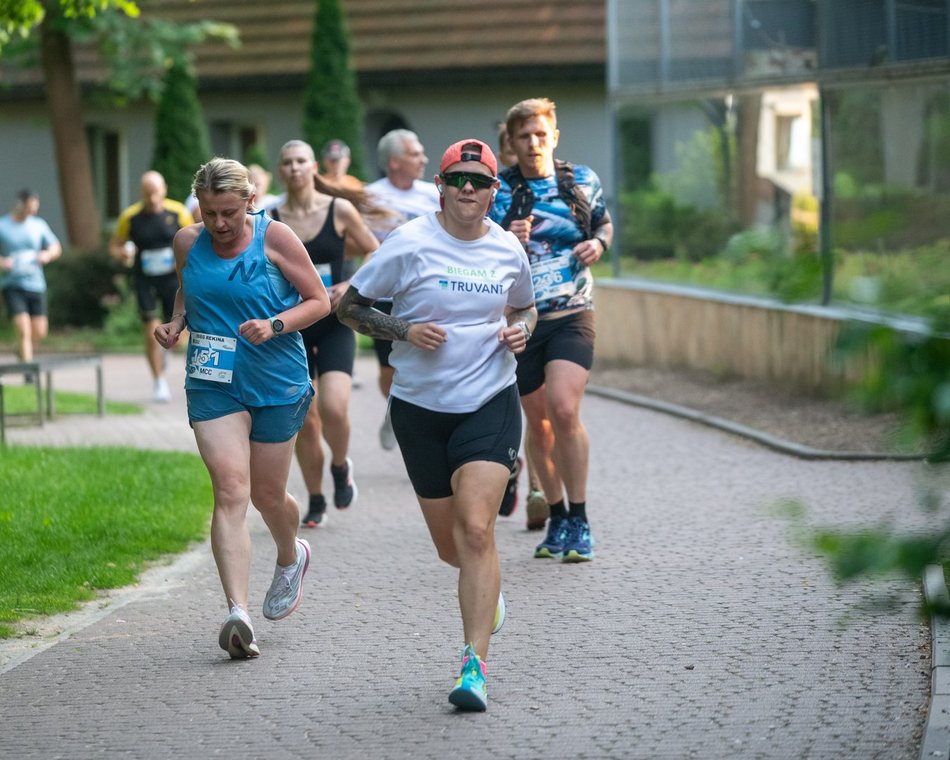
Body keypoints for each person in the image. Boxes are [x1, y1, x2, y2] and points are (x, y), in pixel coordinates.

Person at [339, 138, 536, 712]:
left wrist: (520, 329)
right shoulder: (409, 243)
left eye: (479, 180)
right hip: (420, 408)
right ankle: (486, 590)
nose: (468, 189)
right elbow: (349, 308)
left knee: (477, 530)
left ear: (494, 191)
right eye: (457, 180)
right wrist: (405, 331)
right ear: (441, 187)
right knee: (453, 548)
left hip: (489, 398)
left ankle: (473, 665)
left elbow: (524, 306)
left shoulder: (506, 250)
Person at [154, 157, 330, 660]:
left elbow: (319, 301)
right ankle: (238, 613)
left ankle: (290, 553)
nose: (219, 224)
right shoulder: (188, 242)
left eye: (228, 212)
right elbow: (192, 287)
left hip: (276, 380)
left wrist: (275, 324)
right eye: (209, 213)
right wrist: (176, 322)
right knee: (232, 489)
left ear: (250, 201)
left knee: (268, 497)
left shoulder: (275, 239)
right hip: (213, 382)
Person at [489, 97, 614, 562]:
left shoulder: (581, 180)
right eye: (524, 136)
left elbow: (602, 222)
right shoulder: (497, 190)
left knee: (563, 410)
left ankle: (579, 519)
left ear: (554, 136)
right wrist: (507, 236)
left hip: (571, 312)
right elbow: (476, 246)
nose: (534, 143)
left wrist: (598, 244)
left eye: (541, 134)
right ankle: (556, 514)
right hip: (522, 320)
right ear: (513, 142)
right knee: (538, 425)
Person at [269, 139, 380, 528]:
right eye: (288, 162)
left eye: (301, 161)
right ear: (280, 170)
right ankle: (316, 498)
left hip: (334, 323)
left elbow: (375, 251)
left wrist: (349, 286)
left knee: (333, 407)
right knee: (305, 420)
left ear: (313, 166)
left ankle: (339, 464)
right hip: (291, 328)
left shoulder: (338, 209)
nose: (295, 168)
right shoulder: (270, 218)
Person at [364, 129, 441, 450]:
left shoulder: (433, 194)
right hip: (384, 297)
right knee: (389, 370)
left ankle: (429, 421)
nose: (423, 158)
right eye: (414, 153)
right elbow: (360, 243)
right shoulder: (370, 196)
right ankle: (396, 405)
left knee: (432, 359)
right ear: (394, 162)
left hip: (427, 294)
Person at [495, 123, 548, 531]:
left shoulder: (549, 188)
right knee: (518, 407)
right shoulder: (492, 196)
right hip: (502, 321)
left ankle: (538, 490)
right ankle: (510, 464)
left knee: (544, 412)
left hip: (548, 310)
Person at [110, 171, 194, 402]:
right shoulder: (131, 216)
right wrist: (123, 254)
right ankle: (158, 381)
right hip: (144, 279)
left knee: (178, 332)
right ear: (141, 193)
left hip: (172, 280)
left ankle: (166, 353)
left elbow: (193, 239)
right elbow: (115, 246)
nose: (152, 196)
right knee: (150, 331)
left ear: (164, 189)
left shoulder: (178, 212)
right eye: (147, 192)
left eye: (155, 191)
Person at [0, 189, 62, 366]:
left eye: (35, 208)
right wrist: (3, 262)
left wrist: (47, 255)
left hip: (35, 285)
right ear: (20, 204)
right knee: (23, 330)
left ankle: (20, 349)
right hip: (12, 284)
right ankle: (29, 373)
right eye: (29, 208)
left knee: (39, 332)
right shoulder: (3, 226)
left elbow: (55, 247)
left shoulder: (38, 225)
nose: (33, 212)